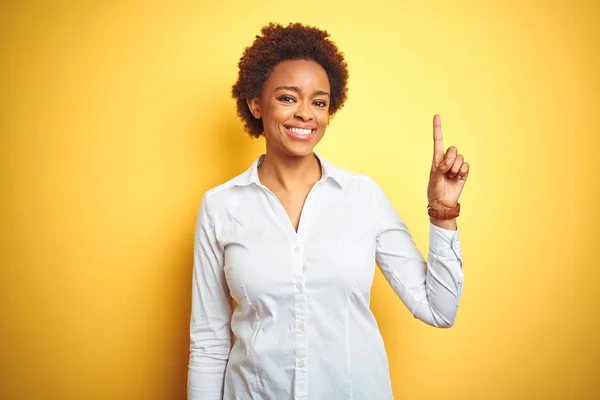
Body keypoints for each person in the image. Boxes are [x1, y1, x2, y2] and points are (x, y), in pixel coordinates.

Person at [187, 22, 469, 400]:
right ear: (256, 103)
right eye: (288, 98)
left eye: (319, 102)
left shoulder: (362, 196)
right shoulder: (220, 206)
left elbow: (440, 309)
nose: (306, 113)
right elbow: (208, 342)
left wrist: (444, 210)